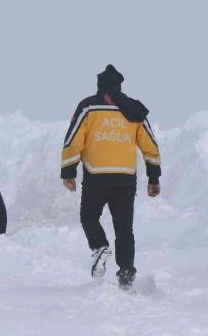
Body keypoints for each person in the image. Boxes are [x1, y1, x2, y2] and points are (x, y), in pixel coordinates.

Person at [61, 64, 161, 290]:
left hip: (96, 176)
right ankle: (126, 275)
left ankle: (99, 247)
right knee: (124, 229)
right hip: (126, 178)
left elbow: (73, 140)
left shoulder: (87, 107)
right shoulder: (134, 110)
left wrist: (68, 171)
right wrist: (154, 178)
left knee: (89, 217)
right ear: (119, 86)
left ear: (99, 87)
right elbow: (151, 146)